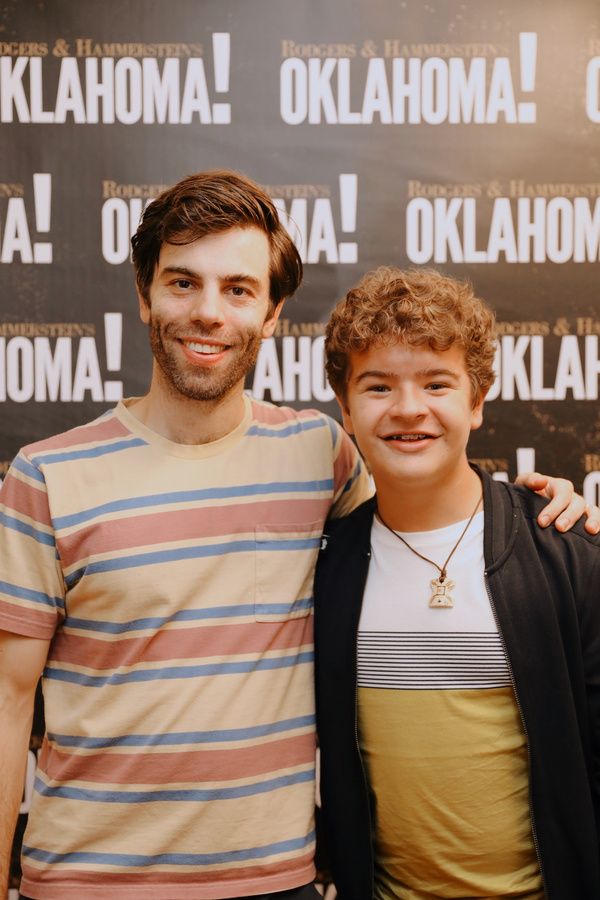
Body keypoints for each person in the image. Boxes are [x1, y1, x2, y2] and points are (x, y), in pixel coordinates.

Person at [0, 174, 594, 900]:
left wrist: (548, 516)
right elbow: (6, 703)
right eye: (182, 283)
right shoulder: (47, 474)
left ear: (272, 312)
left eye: (239, 289)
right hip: (84, 883)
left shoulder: (320, 454)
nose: (208, 312)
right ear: (143, 295)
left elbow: (428, 496)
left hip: (276, 885)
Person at [314, 267, 600, 900]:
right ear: (347, 409)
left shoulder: (564, 553)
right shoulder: (327, 570)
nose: (408, 408)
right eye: (378, 386)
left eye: (436, 383)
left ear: (476, 401)